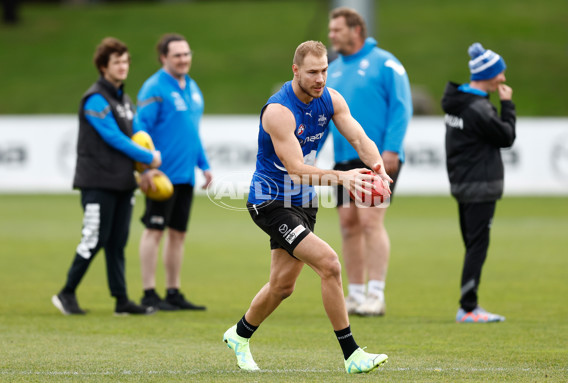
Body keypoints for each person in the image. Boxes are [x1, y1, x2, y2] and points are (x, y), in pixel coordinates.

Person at [223, 40, 390, 374]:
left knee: (282, 286)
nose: (320, 79)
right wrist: (343, 178)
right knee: (329, 263)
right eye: (313, 72)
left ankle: (239, 335)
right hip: (270, 201)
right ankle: (352, 354)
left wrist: (378, 167)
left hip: (304, 204)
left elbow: (358, 138)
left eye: (325, 70)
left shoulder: (330, 98)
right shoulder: (278, 111)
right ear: (296, 71)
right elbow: (297, 169)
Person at [52, 37, 162, 316]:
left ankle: (121, 301)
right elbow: (113, 137)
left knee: (116, 242)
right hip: (97, 182)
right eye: (117, 62)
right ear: (103, 66)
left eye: (126, 61)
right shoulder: (95, 99)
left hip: (123, 182)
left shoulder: (124, 99)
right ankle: (66, 293)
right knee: (94, 239)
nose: (123, 66)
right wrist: (149, 158)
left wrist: (147, 169)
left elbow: (138, 135)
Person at [326, 7, 413, 316]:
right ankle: (355, 293)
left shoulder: (386, 63)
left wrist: (390, 149)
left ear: (356, 30)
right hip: (342, 161)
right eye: (331, 29)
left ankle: (376, 295)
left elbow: (402, 108)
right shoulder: (332, 70)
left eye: (337, 29)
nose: (331, 35)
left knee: (370, 221)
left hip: (377, 159)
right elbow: (325, 118)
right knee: (348, 225)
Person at [135, 33, 213, 311]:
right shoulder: (154, 88)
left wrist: (204, 165)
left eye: (186, 53)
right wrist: (145, 168)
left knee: (178, 234)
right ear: (163, 58)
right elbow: (140, 130)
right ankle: (148, 293)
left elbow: (192, 132)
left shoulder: (192, 87)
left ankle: (173, 291)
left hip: (185, 176)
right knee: (154, 230)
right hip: (161, 176)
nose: (183, 59)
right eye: (177, 55)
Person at [441, 42, 516, 323]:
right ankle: (469, 307)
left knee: (472, 244)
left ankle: (469, 305)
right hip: (480, 186)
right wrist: (507, 105)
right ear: (488, 74)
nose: (503, 79)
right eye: (500, 73)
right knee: (477, 246)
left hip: (462, 184)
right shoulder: (479, 109)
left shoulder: (458, 102)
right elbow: (506, 136)